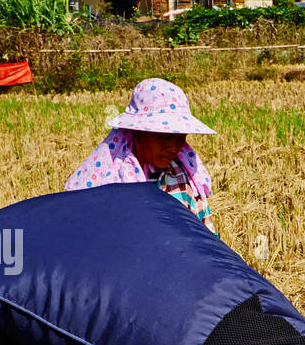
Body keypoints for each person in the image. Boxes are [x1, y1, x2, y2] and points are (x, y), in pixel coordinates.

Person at [65, 78, 217, 232]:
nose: (173, 148)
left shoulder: (181, 179)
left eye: (181, 138)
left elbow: (204, 239)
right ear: (138, 132)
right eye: (164, 137)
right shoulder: (112, 180)